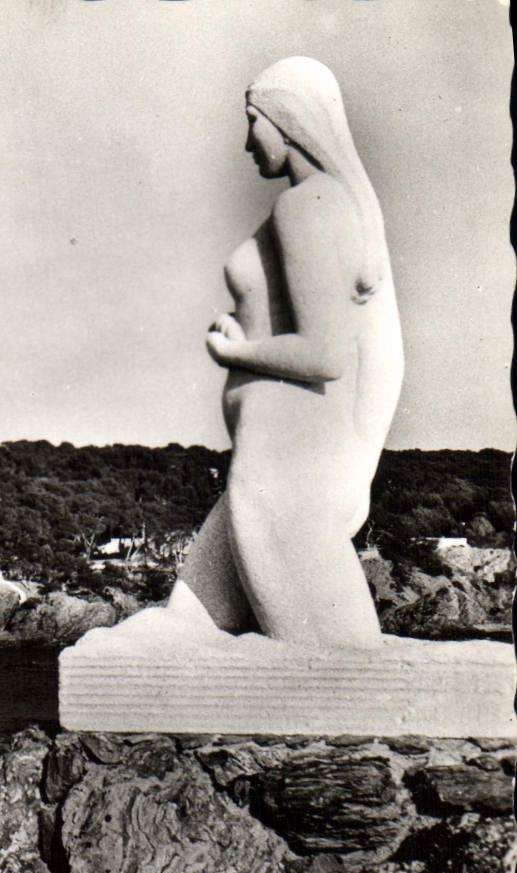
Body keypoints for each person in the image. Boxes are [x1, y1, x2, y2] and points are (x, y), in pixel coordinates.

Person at [158, 57, 402, 648]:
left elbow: (324, 356)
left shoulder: (309, 205)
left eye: (253, 120)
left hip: (285, 464)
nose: (247, 141)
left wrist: (233, 352)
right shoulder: (327, 203)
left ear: (290, 121)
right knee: (177, 633)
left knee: (340, 663)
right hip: (275, 459)